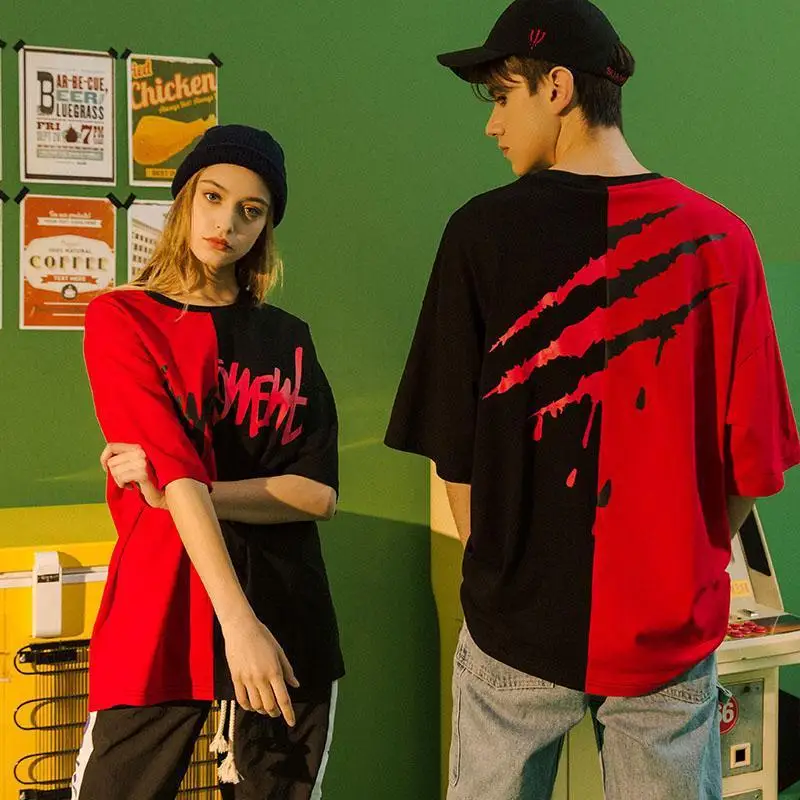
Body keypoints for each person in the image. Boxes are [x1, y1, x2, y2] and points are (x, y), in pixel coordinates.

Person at [384, 1, 800, 798]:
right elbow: (752, 462)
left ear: (558, 88)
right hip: (665, 630)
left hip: (516, 622)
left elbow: (453, 449)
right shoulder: (721, 242)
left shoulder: (479, 234)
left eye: (501, 96)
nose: (492, 125)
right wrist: (681, 565)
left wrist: (498, 571)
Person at [73, 124, 344, 800]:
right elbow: (179, 471)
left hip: (286, 614)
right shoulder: (123, 318)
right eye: (214, 197)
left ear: (266, 226)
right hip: (164, 609)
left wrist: (177, 490)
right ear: (185, 199)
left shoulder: (288, 338)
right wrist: (237, 622)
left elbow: (317, 495)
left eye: (251, 210)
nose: (227, 224)